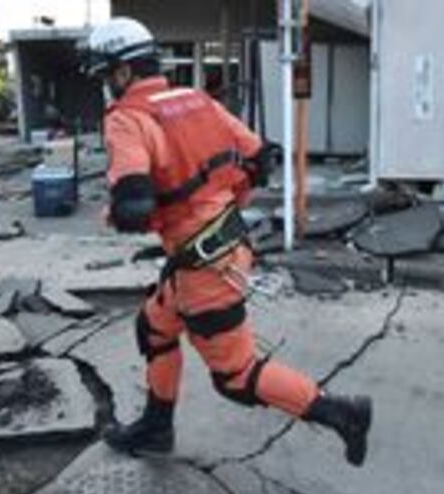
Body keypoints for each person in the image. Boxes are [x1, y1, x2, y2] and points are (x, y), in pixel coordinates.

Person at [87, 17, 373, 466]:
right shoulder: (197, 99)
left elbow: (133, 205)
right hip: (221, 246)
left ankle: (342, 413)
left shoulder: (127, 119)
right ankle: (157, 428)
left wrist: (118, 213)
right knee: (155, 326)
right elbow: (262, 157)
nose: (107, 86)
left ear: (123, 72)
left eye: (106, 75)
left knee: (236, 377)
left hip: (205, 268)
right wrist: (219, 195)